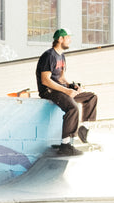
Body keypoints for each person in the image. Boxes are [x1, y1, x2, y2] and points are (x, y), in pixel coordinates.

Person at [35, 28, 98, 156]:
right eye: (68, 38)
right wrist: (66, 90)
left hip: (61, 89)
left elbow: (61, 78)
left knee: (91, 97)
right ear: (60, 39)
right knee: (72, 108)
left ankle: (83, 128)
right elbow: (45, 80)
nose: (70, 40)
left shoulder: (62, 57)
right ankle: (65, 145)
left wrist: (72, 86)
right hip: (49, 91)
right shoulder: (49, 56)